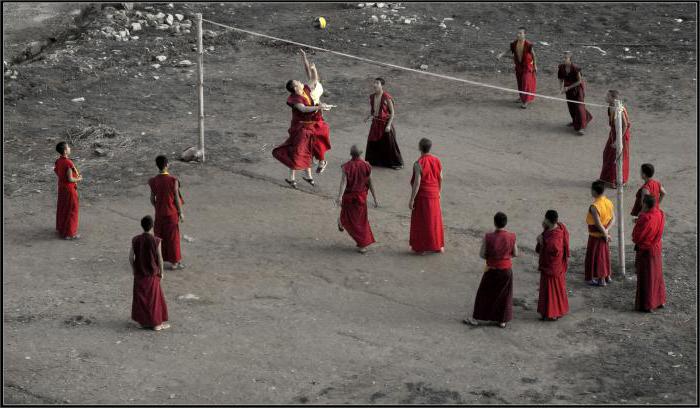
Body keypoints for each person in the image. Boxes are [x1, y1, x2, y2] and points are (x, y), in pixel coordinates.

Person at [272, 59, 333, 188]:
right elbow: (303, 109)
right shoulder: (294, 99)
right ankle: (292, 177)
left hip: (310, 125)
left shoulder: (305, 89)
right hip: (300, 127)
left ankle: (308, 175)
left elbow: (314, 80)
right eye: (297, 82)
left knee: (308, 149)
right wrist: (318, 107)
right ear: (295, 88)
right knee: (297, 150)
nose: (300, 82)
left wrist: (313, 69)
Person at [465, 212, 518, 328]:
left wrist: (492, 258)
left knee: (484, 293)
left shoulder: (488, 237)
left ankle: (476, 318)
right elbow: (515, 253)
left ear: (494, 223)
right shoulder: (512, 236)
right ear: (506, 223)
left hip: (492, 268)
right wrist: (505, 257)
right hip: (506, 270)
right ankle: (502, 320)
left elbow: (482, 254)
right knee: (504, 295)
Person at [336, 145, 379, 253]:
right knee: (361, 221)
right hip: (361, 197)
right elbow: (371, 183)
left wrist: (339, 197)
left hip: (349, 197)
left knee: (349, 217)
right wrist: (375, 198)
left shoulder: (347, 167)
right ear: (360, 153)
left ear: (351, 154)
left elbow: (343, 183)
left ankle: (341, 221)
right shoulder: (367, 166)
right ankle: (362, 244)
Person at [130, 215, 170, 331]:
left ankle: (143, 322)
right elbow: (160, 258)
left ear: (142, 226)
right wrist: (161, 272)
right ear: (152, 226)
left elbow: (130, 257)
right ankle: (157, 324)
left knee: (141, 299)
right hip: (152, 275)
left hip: (140, 274)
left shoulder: (136, 239)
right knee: (154, 300)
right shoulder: (156, 240)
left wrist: (134, 268)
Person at [148, 155, 185, 270]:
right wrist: (181, 212)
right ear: (167, 165)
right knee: (173, 238)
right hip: (171, 214)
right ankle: (174, 263)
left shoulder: (153, 181)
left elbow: (152, 198)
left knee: (159, 237)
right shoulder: (173, 180)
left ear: (157, 166)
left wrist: (157, 207)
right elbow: (176, 199)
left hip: (159, 214)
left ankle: (158, 261)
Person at [409, 138, 444, 254]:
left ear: (419, 148)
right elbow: (441, 177)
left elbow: (417, 182)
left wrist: (412, 199)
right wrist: (439, 191)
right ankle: (437, 245)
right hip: (434, 193)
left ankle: (421, 247)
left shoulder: (418, 163)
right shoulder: (437, 160)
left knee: (422, 221)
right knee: (434, 221)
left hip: (423, 195)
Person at [632, 196, 666, 312]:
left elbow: (637, 236)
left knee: (647, 277)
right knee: (657, 276)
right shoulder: (660, 213)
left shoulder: (645, 218)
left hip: (646, 250)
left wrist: (639, 220)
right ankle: (660, 301)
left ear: (646, 205)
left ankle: (648, 304)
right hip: (656, 247)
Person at [300, 49, 332, 174]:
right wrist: (304, 58)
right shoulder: (314, 84)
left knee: (315, 136)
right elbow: (308, 70)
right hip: (314, 112)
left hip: (314, 113)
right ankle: (316, 158)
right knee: (311, 136)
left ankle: (320, 160)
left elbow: (311, 72)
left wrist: (312, 68)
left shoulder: (313, 86)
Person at [536, 210, 570, 321]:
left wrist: (541, 242)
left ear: (548, 220)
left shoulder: (554, 237)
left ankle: (552, 313)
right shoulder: (560, 227)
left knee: (549, 290)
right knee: (556, 289)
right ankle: (555, 311)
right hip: (557, 266)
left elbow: (554, 250)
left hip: (551, 267)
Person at [364, 77, 404, 169]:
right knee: (372, 141)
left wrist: (389, 125)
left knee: (390, 144)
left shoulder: (387, 97)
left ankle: (397, 163)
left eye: (377, 83)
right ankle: (373, 161)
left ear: (382, 86)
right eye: (374, 83)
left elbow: (392, 113)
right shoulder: (372, 97)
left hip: (385, 123)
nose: (375, 85)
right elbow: (374, 111)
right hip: (376, 123)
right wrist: (368, 116)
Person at [598, 89, 631, 189]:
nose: (605, 97)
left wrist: (618, 140)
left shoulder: (619, 110)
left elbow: (625, 125)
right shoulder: (610, 107)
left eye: (607, 96)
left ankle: (616, 181)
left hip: (621, 135)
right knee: (607, 154)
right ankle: (607, 178)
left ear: (613, 98)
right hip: (613, 133)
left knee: (616, 157)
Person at [584, 181, 615, 286]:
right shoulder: (608, 202)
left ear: (594, 191)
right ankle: (607, 276)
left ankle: (600, 279)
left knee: (596, 256)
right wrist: (607, 231)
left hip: (596, 235)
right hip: (605, 232)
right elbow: (613, 218)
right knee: (605, 255)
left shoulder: (594, 206)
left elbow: (597, 224)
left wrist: (605, 234)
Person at [500, 27, 537, 109]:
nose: (518, 35)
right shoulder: (515, 43)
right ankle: (521, 97)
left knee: (526, 81)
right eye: (518, 33)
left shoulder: (528, 44)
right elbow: (509, 50)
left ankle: (526, 101)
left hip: (527, 66)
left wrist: (535, 65)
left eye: (520, 33)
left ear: (524, 34)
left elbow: (534, 55)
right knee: (520, 82)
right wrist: (501, 54)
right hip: (519, 66)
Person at [558, 51, 593, 135]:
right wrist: (561, 88)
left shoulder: (575, 68)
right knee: (571, 106)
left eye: (566, 58)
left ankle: (582, 127)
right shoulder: (561, 67)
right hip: (568, 89)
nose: (564, 59)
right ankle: (576, 121)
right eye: (563, 57)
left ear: (570, 59)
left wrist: (568, 87)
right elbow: (560, 79)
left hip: (577, 89)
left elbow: (579, 81)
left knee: (579, 107)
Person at [54, 141, 82, 239]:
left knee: (63, 208)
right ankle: (70, 233)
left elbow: (57, 171)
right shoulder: (68, 163)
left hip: (62, 187)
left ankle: (62, 228)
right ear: (65, 151)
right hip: (69, 189)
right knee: (72, 209)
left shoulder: (59, 161)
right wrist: (79, 179)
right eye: (68, 147)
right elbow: (70, 179)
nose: (70, 148)